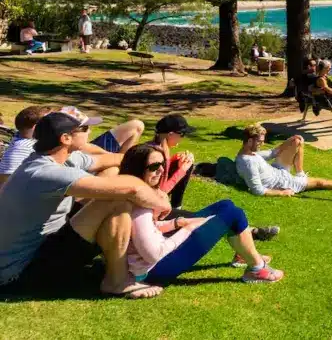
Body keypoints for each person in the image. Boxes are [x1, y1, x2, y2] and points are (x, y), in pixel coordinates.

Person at [0, 110, 170, 298]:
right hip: (20, 273)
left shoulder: (63, 158)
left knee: (112, 173)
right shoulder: (45, 172)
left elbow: (113, 160)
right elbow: (131, 189)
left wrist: (149, 161)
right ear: (65, 138)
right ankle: (117, 281)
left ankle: (116, 260)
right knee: (116, 199)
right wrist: (160, 202)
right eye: (84, 129)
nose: (90, 133)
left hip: (47, 245)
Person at [119, 146, 283, 285]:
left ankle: (244, 253)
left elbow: (150, 229)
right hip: (155, 270)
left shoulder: (138, 197)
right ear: (138, 169)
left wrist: (178, 222)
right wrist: (187, 230)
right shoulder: (140, 210)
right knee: (233, 213)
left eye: (162, 164)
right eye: (154, 167)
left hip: (157, 257)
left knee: (225, 205)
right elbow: (153, 254)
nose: (161, 170)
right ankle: (256, 269)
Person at [0, 106, 143, 181]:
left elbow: (91, 153)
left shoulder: (59, 151)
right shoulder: (21, 153)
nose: (90, 132)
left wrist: (126, 161)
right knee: (113, 172)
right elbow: (7, 187)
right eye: (85, 128)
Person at [235, 124, 332, 197]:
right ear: (249, 141)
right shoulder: (248, 163)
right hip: (283, 182)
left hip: (278, 170)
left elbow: (273, 153)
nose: (262, 144)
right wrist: (281, 193)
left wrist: (290, 140)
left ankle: (300, 172)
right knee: (320, 183)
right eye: (259, 142)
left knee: (297, 141)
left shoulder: (251, 153)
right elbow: (257, 190)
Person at [144, 114, 196, 210]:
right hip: (150, 201)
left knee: (185, 163)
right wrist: (182, 170)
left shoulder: (151, 145)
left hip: (147, 194)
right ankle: (176, 208)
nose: (182, 138)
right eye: (182, 135)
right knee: (186, 167)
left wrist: (175, 159)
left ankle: (176, 207)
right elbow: (161, 191)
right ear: (171, 134)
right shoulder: (160, 154)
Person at [0, 106, 51, 188]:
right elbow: (6, 179)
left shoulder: (23, 138)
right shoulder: (21, 148)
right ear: (36, 127)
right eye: (49, 124)